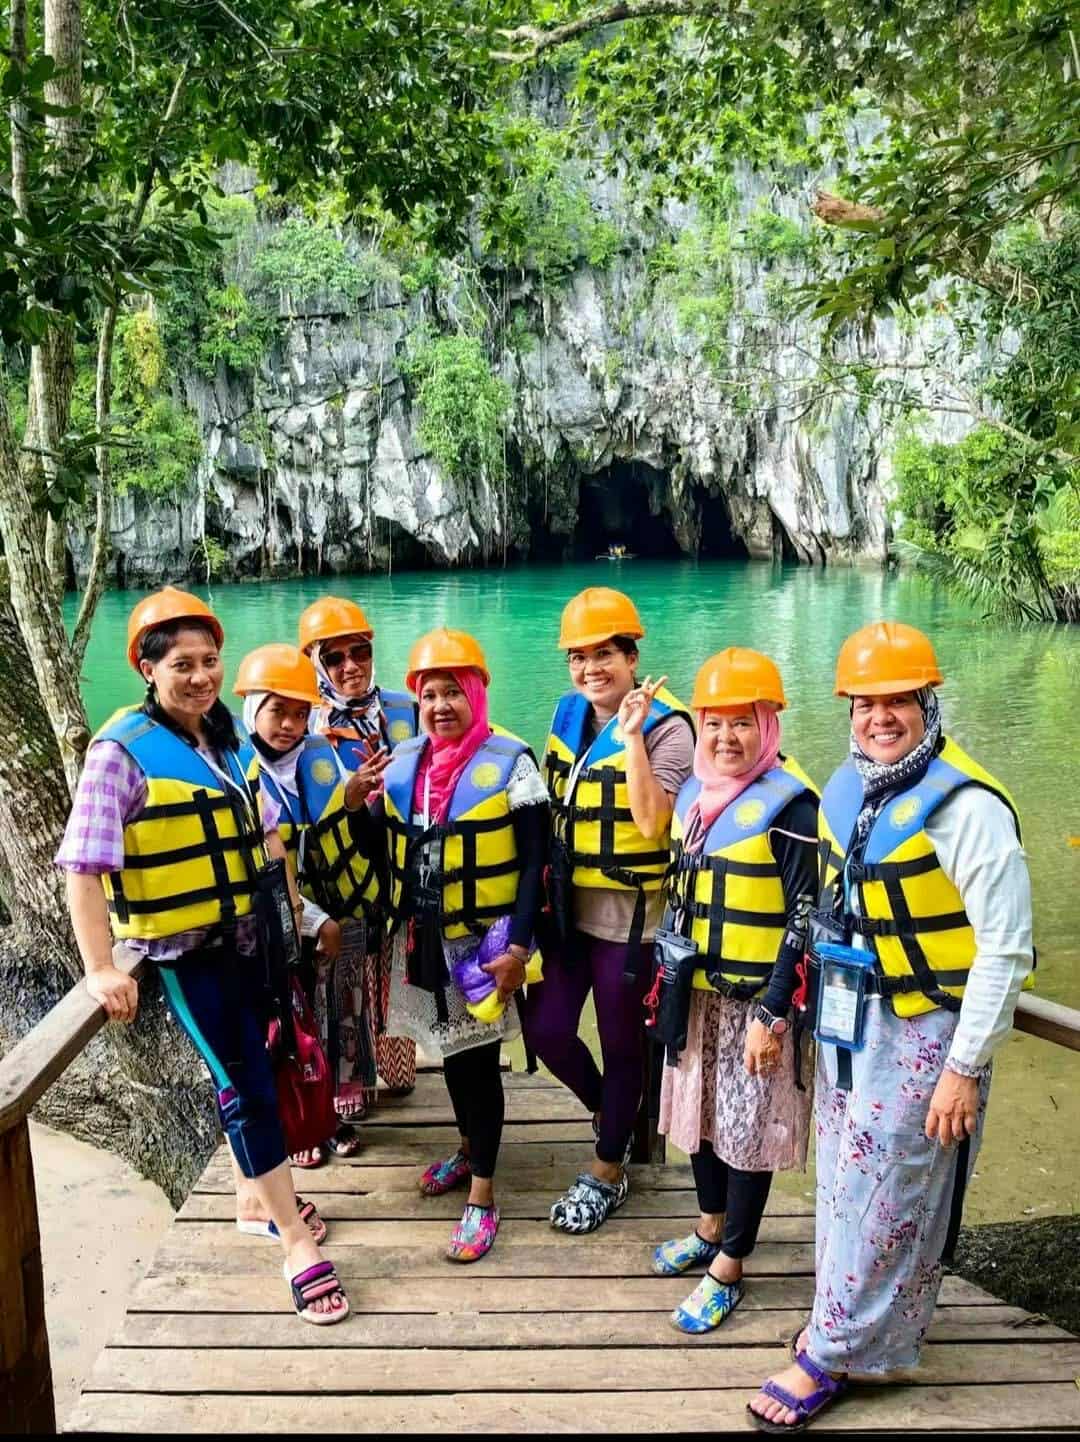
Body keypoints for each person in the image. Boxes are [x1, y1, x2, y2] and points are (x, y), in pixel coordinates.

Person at [748, 622, 1034, 1431]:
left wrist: (965, 1066)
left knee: (892, 1191)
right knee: (846, 1186)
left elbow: (1005, 950)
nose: (881, 716)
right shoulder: (856, 784)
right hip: (854, 1023)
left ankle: (831, 1354)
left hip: (926, 1035)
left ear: (927, 702)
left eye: (898, 699)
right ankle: (869, 1336)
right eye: (867, 702)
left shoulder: (967, 809)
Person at [55, 588, 348, 1325]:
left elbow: (270, 842)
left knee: (267, 1063)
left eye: (210, 661)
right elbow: (83, 869)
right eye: (181, 663)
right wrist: (99, 967)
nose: (200, 676)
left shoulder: (226, 741)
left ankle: (255, 1196)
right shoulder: (119, 752)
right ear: (147, 669)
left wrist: (301, 922)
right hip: (188, 955)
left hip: (256, 940)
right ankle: (294, 1247)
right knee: (245, 1084)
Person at [647, 649, 818, 1334]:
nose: (725, 738)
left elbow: (804, 917)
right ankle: (709, 1224)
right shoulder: (694, 792)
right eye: (714, 723)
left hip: (754, 1003)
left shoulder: (790, 805)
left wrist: (773, 1013)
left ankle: (731, 1264)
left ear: (767, 725)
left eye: (741, 724)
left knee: (747, 1131)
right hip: (698, 992)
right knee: (701, 1116)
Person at [525, 587, 695, 1232]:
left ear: (631, 655)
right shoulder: (568, 712)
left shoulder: (671, 728)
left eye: (605, 654)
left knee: (625, 1045)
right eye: (580, 657)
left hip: (635, 919)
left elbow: (655, 825)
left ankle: (607, 1167)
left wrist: (630, 738)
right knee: (547, 1030)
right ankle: (614, 1117)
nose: (592, 669)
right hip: (569, 908)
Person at [378, 628, 549, 1261]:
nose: (442, 705)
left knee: (478, 1064)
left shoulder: (512, 763)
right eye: (430, 694)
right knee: (448, 1054)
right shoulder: (405, 763)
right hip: (425, 934)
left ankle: (482, 1194)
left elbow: (535, 863)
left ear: (476, 693)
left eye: (455, 692)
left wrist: (521, 948)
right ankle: (469, 1146)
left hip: (483, 944)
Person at [235, 642, 388, 1166]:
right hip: (271, 919)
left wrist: (353, 800)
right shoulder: (233, 768)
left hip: (330, 900)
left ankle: (334, 1111)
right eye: (277, 710)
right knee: (285, 1020)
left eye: (300, 713)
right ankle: (297, 1120)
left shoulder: (320, 756)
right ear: (253, 709)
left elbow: (347, 827)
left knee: (341, 1006)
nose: (289, 725)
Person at [297, 596, 418, 1137]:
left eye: (360, 652)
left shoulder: (404, 708)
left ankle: (392, 1068)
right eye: (335, 657)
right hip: (336, 869)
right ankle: (346, 1087)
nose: (351, 666)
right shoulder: (303, 722)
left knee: (390, 971)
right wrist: (345, 799)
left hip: (392, 864)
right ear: (315, 664)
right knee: (343, 980)